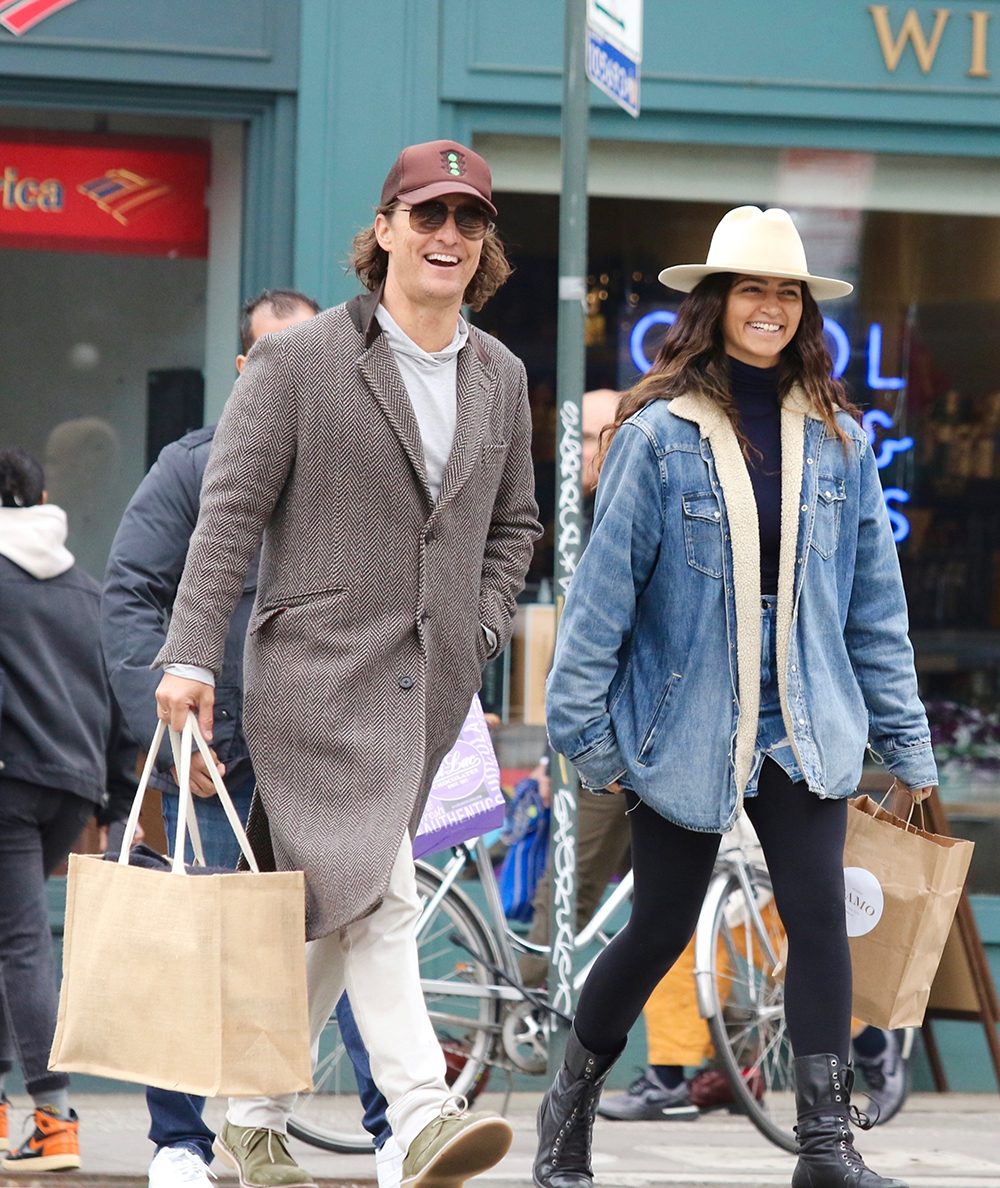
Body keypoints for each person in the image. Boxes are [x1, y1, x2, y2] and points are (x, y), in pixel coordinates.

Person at [154, 140, 541, 1188]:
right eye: (426, 217)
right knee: (384, 894)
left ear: (484, 243)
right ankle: (419, 1116)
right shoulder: (299, 362)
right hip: (315, 678)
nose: (447, 237)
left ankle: (249, 1115)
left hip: (429, 689)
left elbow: (515, 527)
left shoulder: (499, 376)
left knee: (337, 903)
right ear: (383, 231)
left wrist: (480, 626)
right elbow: (226, 517)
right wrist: (189, 656)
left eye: (467, 221)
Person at [540, 205, 937, 1188]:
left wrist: (911, 749)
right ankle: (566, 1112)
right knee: (660, 928)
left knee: (814, 913)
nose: (768, 308)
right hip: (685, 724)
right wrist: (588, 743)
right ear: (715, 305)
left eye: (785, 293)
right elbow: (600, 604)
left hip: (804, 721)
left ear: (805, 312)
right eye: (751, 290)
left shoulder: (843, 442)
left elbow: (874, 614)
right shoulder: (657, 435)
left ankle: (823, 1147)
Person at [104, 290, 399, 1188]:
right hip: (215, 757)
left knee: (355, 935)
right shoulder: (190, 471)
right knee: (201, 945)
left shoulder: (356, 472)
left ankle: (395, 1133)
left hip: (332, 747)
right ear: (244, 370)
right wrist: (167, 715)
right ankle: (180, 1143)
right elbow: (128, 596)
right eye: (273, 357)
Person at [0, 447, 137, 1174]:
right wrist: (112, 801)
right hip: (69, 789)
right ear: (42, 496)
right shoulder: (83, 588)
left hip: (8, 785)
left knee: (21, 944)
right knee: (12, 938)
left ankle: (53, 1119)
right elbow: (115, 699)